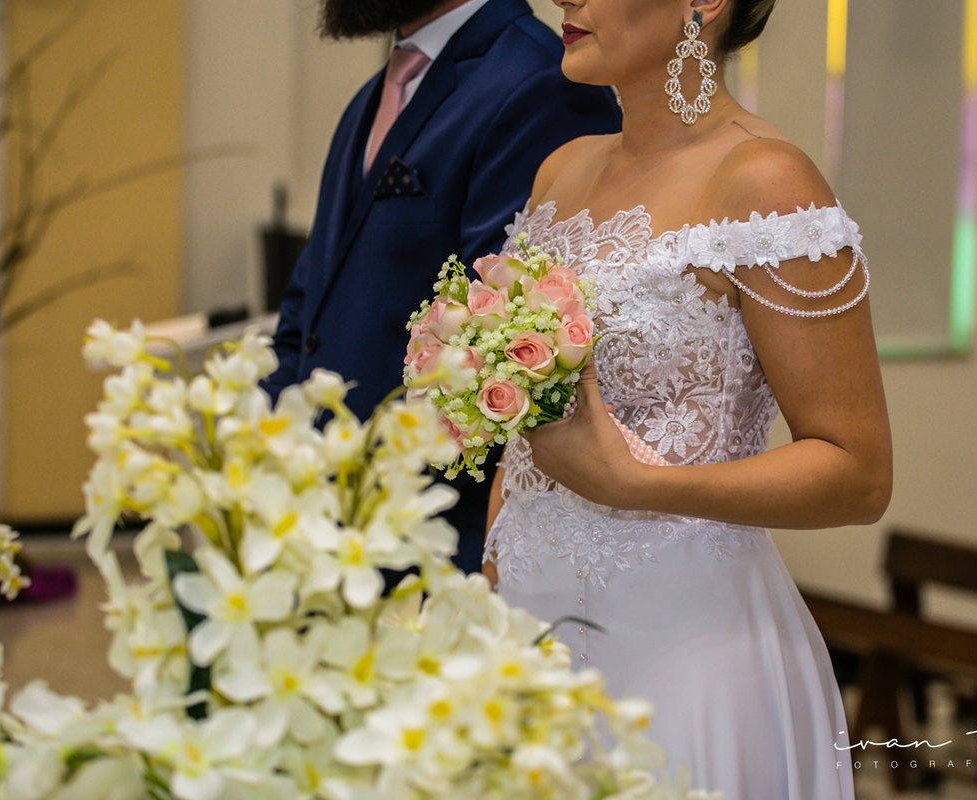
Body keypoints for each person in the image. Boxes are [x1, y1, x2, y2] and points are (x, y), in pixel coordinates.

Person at [481, 0, 893, 797]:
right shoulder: (560, 171)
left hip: (681, 648)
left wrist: (638, 483)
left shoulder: (766, 181)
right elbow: (528, 416)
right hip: (524, 632)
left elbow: (859, 474)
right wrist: (489, 576)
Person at [263, 0, 622, 582]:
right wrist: (259, 447)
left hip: (434, 544)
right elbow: (311, 303)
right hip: (329, 524)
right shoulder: (376, 95)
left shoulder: (541, 84)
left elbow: (506, 348)